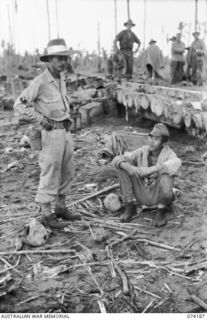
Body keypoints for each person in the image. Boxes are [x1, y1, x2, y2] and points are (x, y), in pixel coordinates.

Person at [14, 38, 79, 228]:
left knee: (68, 171)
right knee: (50, 172)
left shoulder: (61, 79)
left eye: (65, 58)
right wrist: (40, 119)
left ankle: (61, 207)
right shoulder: (40, 81)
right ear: (49, 60)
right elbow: (19, 104)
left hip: (64, 131)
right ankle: (46, 214)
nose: (63, 62)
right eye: (58, 59)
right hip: (50, 134)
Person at [112, 123, 182, 227]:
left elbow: (174, 164)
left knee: (165, 174)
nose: (151, 142)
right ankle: (130, 207)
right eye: (150, 137)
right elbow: (119, 159)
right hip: (143, 192)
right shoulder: (143, 151)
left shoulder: (170, 155)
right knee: (122, 168)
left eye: (156, 139)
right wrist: (125, 166)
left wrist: (136, 170)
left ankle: (160, 212)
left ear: (163, 143)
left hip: (159, 197)